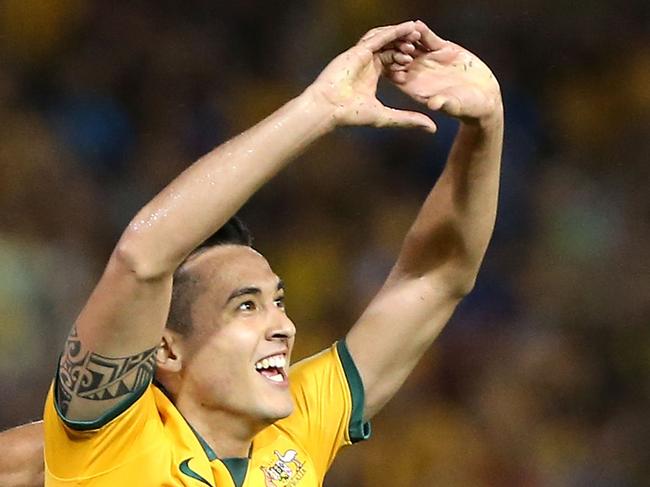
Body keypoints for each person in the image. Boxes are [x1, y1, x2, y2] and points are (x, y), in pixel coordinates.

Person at [0, 19, 503, 486]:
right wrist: (318, 109)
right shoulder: (109, 438)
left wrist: (486, 124)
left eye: (277, 301)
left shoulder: (294, 434)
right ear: (167, 349)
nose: (284, 326)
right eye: (246, 305)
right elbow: (142, 259)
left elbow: (436, 277)